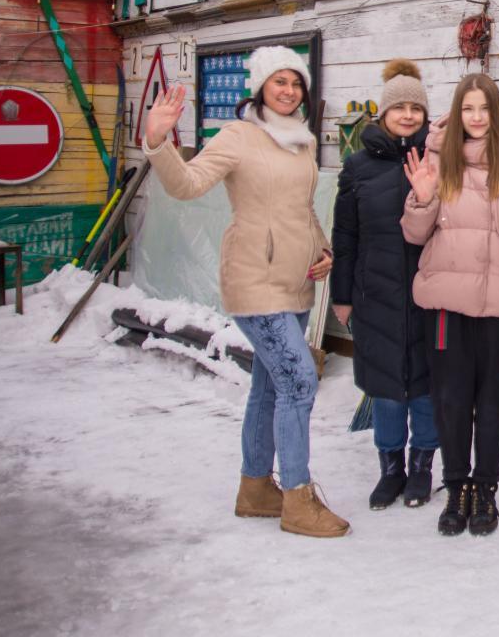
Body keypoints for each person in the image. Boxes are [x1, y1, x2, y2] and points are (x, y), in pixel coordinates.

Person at [140, 47, 347, 538]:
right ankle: (297, 498)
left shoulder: (300, 140)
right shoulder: (238, 136)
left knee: (271, 385)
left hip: (297, 282)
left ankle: (255, 489)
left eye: (295, 83)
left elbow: (302, 209)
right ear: (260, 87)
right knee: (299, 381)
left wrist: (323, 248)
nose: (289, 91)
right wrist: (157, 141)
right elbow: (187, 185)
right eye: (279, 82)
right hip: (254, 279)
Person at [401, 72, 499, 537]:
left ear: (496, 112)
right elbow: (414, 236)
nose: (477, 117)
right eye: (468, 109)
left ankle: (485, 489)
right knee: (452, 399)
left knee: (493, 401)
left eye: (485, 108)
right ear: (457, 112)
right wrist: (422, 200)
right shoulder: (437, 159)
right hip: (446, 301)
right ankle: (456, 486)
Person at [331, 59, 436, 511]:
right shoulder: (358, 166)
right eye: (399, 108)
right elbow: (345, 235)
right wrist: (342, 296)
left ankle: (422, 466)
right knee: (387, 385)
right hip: (375, 293)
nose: (408, 115)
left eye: (416, 108)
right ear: (384, 113)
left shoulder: (438, 159)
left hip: (429, 292)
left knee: (428, 385)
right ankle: (391, 469)